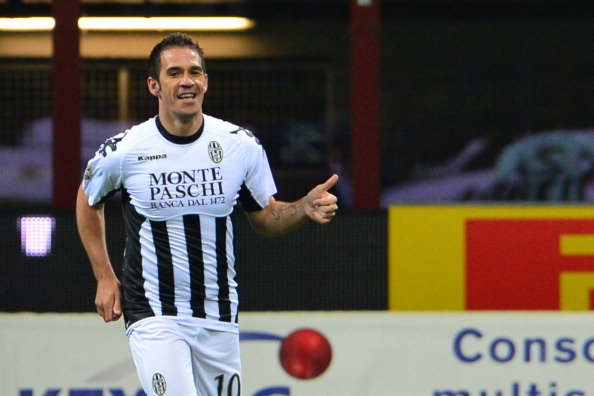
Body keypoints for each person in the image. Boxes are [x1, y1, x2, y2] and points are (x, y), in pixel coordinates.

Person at [76, 32, 338, 396]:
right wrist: (104, 276)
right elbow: (88, 200)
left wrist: (303, 208)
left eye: (195, 72)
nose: (187, 81)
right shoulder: (125, 150)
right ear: (154, 85)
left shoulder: (239, 145)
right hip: (154, 314)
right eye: (175, 73)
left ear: (206, 81)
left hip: (219, 314)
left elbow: (265, 217)